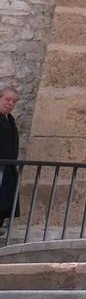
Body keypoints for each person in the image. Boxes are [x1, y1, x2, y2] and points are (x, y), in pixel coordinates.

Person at [0, 85, 18, 231]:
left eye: (14, 101)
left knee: (4, 204)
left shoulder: (10, 119)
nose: (10, 103)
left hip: (7, 170)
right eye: (7, 99)